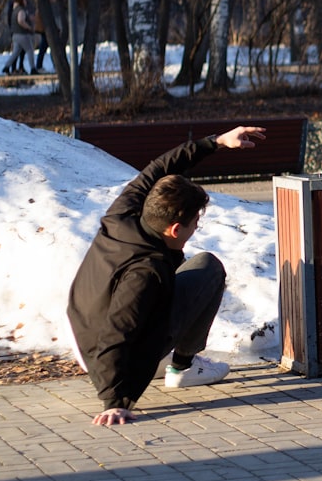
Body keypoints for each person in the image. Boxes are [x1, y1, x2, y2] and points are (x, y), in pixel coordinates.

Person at [67, 125, 267, 426]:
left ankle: (155, 364)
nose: (196, 227)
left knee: (195, 265)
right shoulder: (146, 272)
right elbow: (117, 331)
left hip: (84, 330)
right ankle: (182, 368)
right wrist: (116, 401)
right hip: (107, 354)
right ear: (175, 229)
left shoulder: (122, 214)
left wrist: (217, 141)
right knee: (208, 270)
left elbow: (159, 168)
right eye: (194, 222)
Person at [1, 0, 37, 75]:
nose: (26, 1)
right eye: (24, 0)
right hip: (23, 35)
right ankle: (33, 69)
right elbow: (21, 20)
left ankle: (6, 67)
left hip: (15, 35)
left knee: (16, 52)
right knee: (30, 50)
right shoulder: (21, 10)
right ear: (21, 1)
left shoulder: (14, 10)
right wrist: (28, 27)